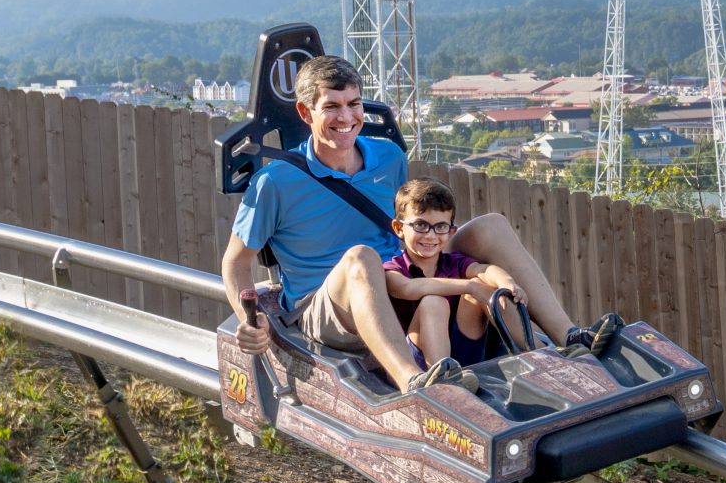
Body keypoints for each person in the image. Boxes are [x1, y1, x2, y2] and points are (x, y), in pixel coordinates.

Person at [222, 53, 577, 389]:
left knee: (491, 225)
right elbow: (235, 262)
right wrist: (247, 319)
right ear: (305, 113)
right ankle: (412, 381)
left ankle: (571, 339)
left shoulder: (389, 156)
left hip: (399, 279)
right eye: (331, 106)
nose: (346, 118)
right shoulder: (275, 182)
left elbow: (406, 226)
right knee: (362, 257)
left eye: (353, 104)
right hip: (327, 306)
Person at [382, 177, 509, 370]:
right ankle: (443, 376)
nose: (430, 235)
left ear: (451, 232)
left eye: (440, 227)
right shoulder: (394, 269)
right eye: (420, 225)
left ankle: (531, 351)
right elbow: (407, 288)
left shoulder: (454, 263)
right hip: (420, 362)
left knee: (483, 284)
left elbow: (483, 270)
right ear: (399, 228)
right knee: (434, 301)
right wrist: (470, 286)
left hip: (465, 353)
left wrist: (506, 282)